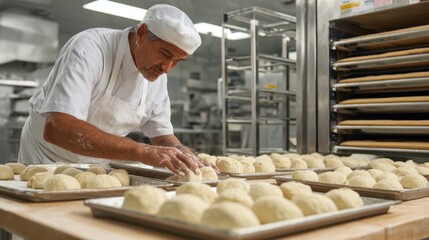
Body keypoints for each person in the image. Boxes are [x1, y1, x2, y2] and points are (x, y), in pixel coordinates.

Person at [18, 4, 217, 176]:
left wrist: (187, 156)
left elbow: (163, 136)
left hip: (98, 165)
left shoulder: (157, 76)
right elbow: (58, 128)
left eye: (177, 61)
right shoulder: (90, 48)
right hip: (46, 159)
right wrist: (139, 151)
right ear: (141, 33)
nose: (167, 68)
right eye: (165, 54)